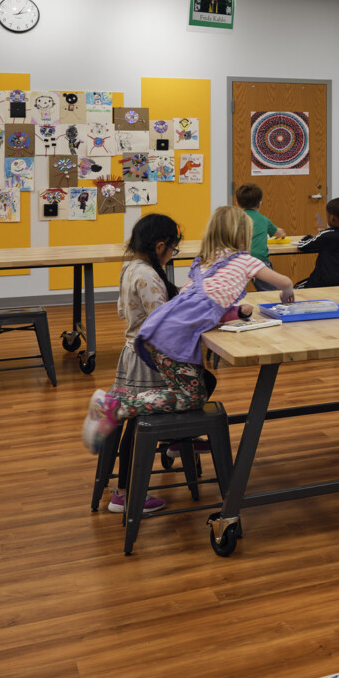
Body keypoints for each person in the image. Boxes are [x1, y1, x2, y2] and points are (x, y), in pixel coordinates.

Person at [82, 207, 294, 453]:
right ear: (243, 235)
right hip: (170, 342)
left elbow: (199, 306)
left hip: (156, 336)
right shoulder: (245, 260)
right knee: (193, 397)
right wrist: (287, 290)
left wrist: (234, 313)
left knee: (189, 389)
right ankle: (115, 406)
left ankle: (178, 441)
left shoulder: (203, 264)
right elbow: (285, 281)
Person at [104, 213, 183, 513]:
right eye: (173, 250)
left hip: (134, 353)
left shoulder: (131, 267)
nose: (172, 255)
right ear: (160, 246)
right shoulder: (148, 275)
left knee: (138, 423)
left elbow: (125, 310)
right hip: (148, 358)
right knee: (140, 427)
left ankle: (177, 438)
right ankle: (124, 494)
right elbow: (163, 322)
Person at [297, 196, 339, 288]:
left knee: (297, 287)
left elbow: (302, 246)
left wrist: (310, 236)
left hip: (326, 282)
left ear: (332, 218)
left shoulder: (325, 235)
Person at [235, 182, 286, 277]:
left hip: (238, 260)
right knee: (270, 290)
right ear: (259, 204)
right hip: (259, 261)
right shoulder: (263, 219)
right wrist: (282, 233)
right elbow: (280, 233)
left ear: (237, 204)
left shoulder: (233, 219)